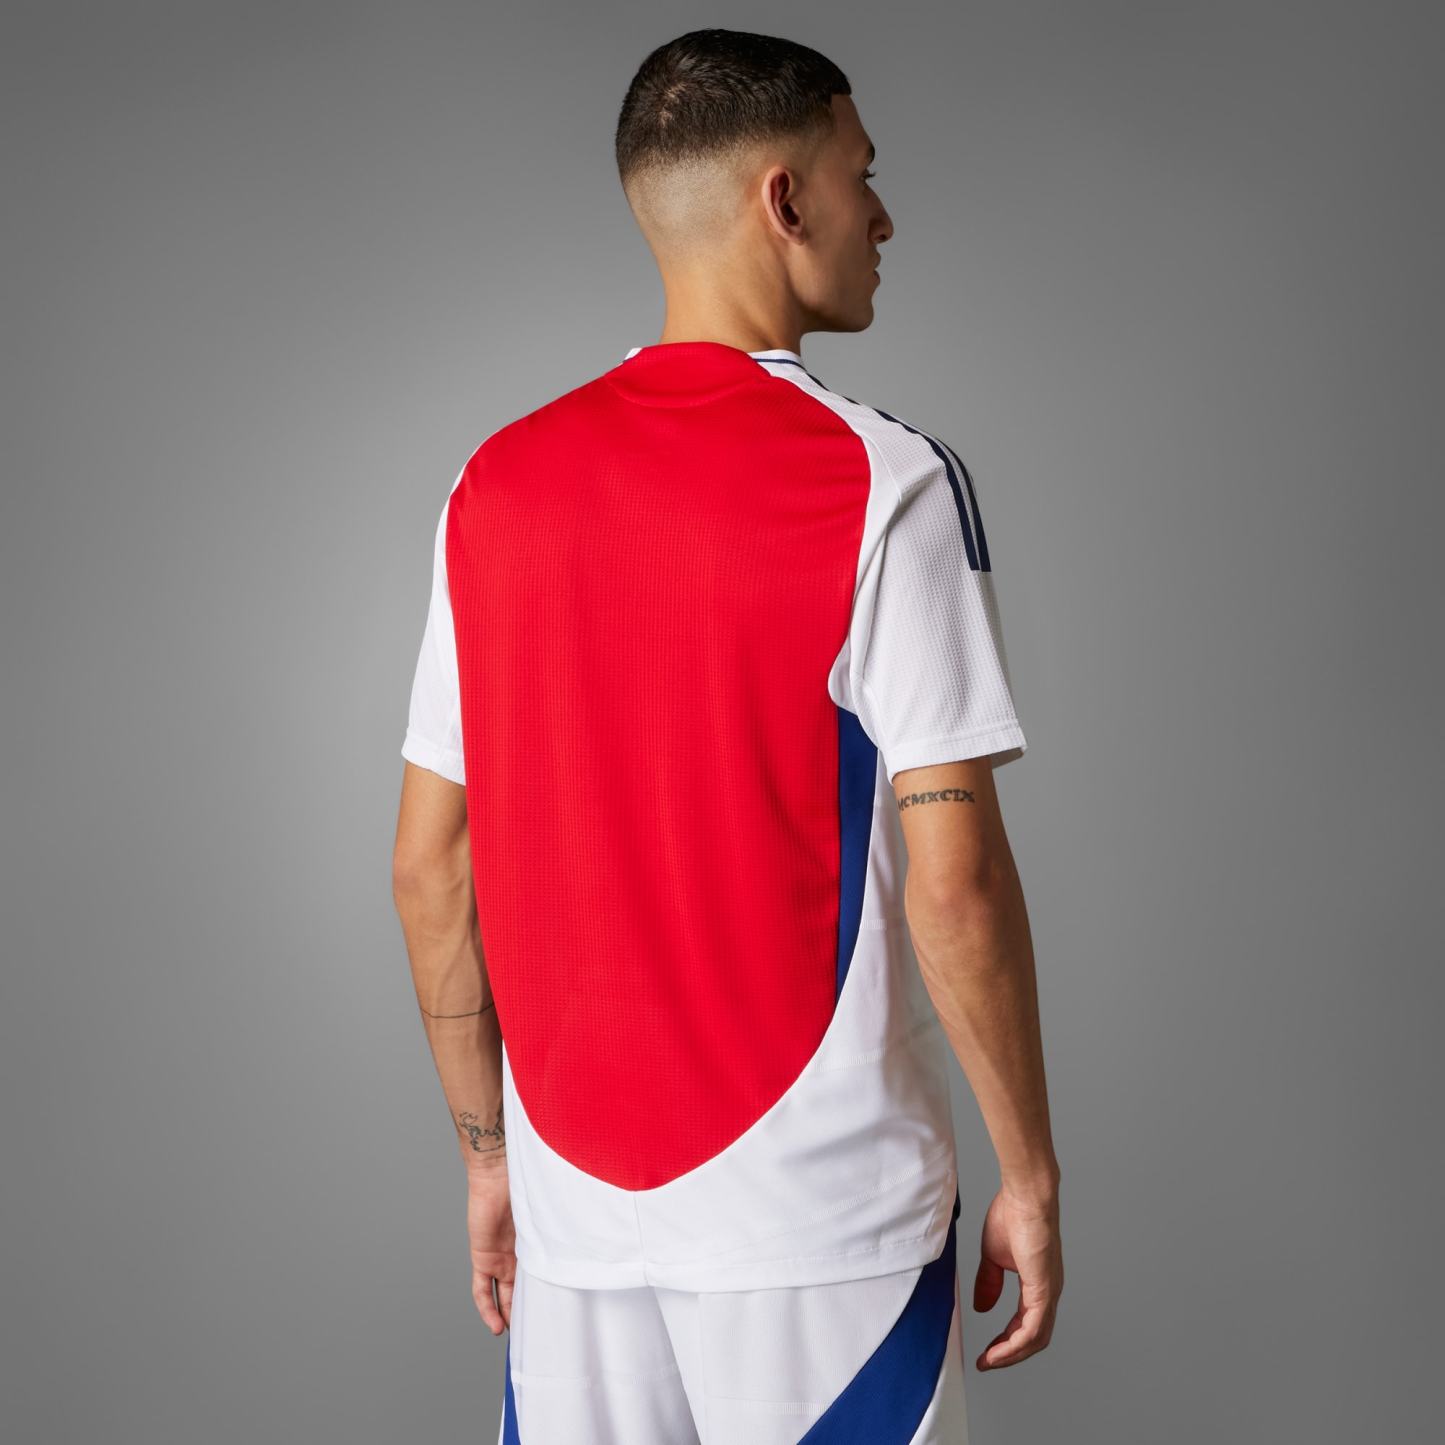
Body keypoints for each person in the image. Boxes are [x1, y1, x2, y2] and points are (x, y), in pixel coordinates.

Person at [392, 27, 1062, 1444]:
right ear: (784, 199)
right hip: (826, 1222)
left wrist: (488, 1162)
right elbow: (954, 884)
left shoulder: (491, 485)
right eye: (862, 175)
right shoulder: (887, 481)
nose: (883, 216)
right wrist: (1031, 1173)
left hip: (576, 1229)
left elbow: (428, 866)